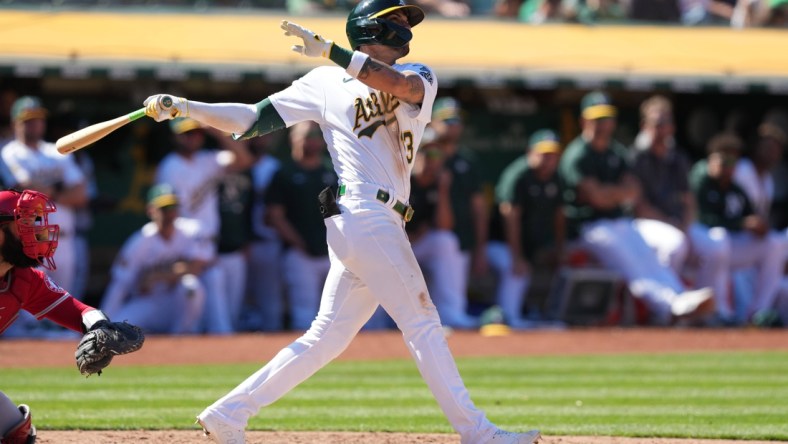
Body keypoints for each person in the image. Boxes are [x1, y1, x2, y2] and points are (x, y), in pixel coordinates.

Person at [142, 0, 542, 442]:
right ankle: (478, 433)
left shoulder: (422, 75)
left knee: (326, 338)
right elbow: (252, 119)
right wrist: (186, 107)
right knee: (423, 320)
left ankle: (228, 413)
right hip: (363, 212)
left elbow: (394, 84)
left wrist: (333, 51)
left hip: (377, 219)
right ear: (371, 27)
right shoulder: (324, 81)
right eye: (397, 19)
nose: (405, 25)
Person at [558, 90, 715, 326]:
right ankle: (668, 307)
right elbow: (597, 198)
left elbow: (632, 191)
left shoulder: (616, 152)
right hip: (588, 227)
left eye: (606, 118)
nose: (602, 125)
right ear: (584, 121)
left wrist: (609, 193)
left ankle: (679, 297)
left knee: (647, 255)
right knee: (629, 258)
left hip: (618, 222)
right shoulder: (577, 155)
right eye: (596, 119)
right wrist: (613, 194)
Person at [0, 188, 144, 443]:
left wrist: (100, 327)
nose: (36, 231)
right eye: (24, 223)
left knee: (17, 434)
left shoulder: (25, 280)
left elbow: (77, 310)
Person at [155, 117, 254, 334]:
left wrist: (217, 131)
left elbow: (244, 160)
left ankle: (221, 341)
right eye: (187, 134)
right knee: (191, 296)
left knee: (218, 294)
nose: (193, 138)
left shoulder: (208, 160)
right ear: (175, 137)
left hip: (209, 244)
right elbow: (168, 212)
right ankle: (183, 344)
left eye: (196, 133)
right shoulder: (169, 166)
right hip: (183, 244)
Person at [689, 133, 784, 325]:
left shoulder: (734, 188)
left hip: (728, 244)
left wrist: (760, 227)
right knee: (719, 239)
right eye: (723, 161)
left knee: (774, 243)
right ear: (712, 158)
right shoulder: (701, 179)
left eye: (732, 162)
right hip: (699, 239)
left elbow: (750, 216)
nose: (727, 167)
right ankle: (715, 312)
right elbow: (702, 217)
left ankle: (759, 313)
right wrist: (741, 224)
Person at [1, 96, 88, 299]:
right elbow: (24, 190)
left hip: (64, 238)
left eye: (38, 119)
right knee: (30, 305)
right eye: (28, 120)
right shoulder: (8, 152)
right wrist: (59, 189)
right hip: (31, 238)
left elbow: (81, 193)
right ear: (16, 123)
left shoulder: (56, 151)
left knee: (65, 302)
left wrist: (52, 192)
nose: (34, 125)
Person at [100, 184, 210, 334]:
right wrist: (103, 322)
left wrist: (158, 276)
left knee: (191, 286)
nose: (169, 213)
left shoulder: (191, 231)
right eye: (163, 208)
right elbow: (120, 285)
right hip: (148, 302)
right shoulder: (140, 241)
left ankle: (184, 336)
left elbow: (197, 267)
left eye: (172, 207)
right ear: (150, 210)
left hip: (176, 301)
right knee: (117, 330)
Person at [265, 121, 338, 330]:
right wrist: (300, 243)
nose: (313, 139)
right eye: (308, 135)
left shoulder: (329, 170)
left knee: (337, 311)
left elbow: (335, 211)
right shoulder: (284, 173)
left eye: (317, 134)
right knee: (304, 312)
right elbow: (275, 216)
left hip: (331, 251)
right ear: (294, 139)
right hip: (299, 253)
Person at [492, 129, 564, 327]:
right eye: (544, 154)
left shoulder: (555, 177)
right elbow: (510, 217)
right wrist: (517, 256)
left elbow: (559, 216)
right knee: (515, 268)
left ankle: (541, 314)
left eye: (553, 154)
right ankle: (508, 318)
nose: (549, 159)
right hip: (499, 244)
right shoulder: (518, 175)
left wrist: (559, 248)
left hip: (530, 247)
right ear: (530, 153)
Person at [407, 137, 479, 329]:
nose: (432, 159)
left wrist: (443, 189)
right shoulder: (402, 179)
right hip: (393, 243)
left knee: (445, 241)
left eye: (438, 155)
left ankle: (452, 314)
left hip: (418, 245)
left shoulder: (439, 184)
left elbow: (444, 225)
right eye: (427, 154)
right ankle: (375, 324)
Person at [430, 97, 490, 326]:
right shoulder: (418, 154)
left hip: (458, 240)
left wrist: (480, 248)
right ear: (432, 123)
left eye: (456, 120)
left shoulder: (467, 161)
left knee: (447, 245)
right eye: (446, 120)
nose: (451, 125)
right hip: (418, 237)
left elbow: (479, 208)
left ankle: (453, 319)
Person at [244, 133, 285, 331]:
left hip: (267, 241)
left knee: (270, 302)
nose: (260, 140)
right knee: (236, 303)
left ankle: (268, 346)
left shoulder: (274, 167)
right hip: (238, 246)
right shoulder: (234, 164)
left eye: (265, 136)